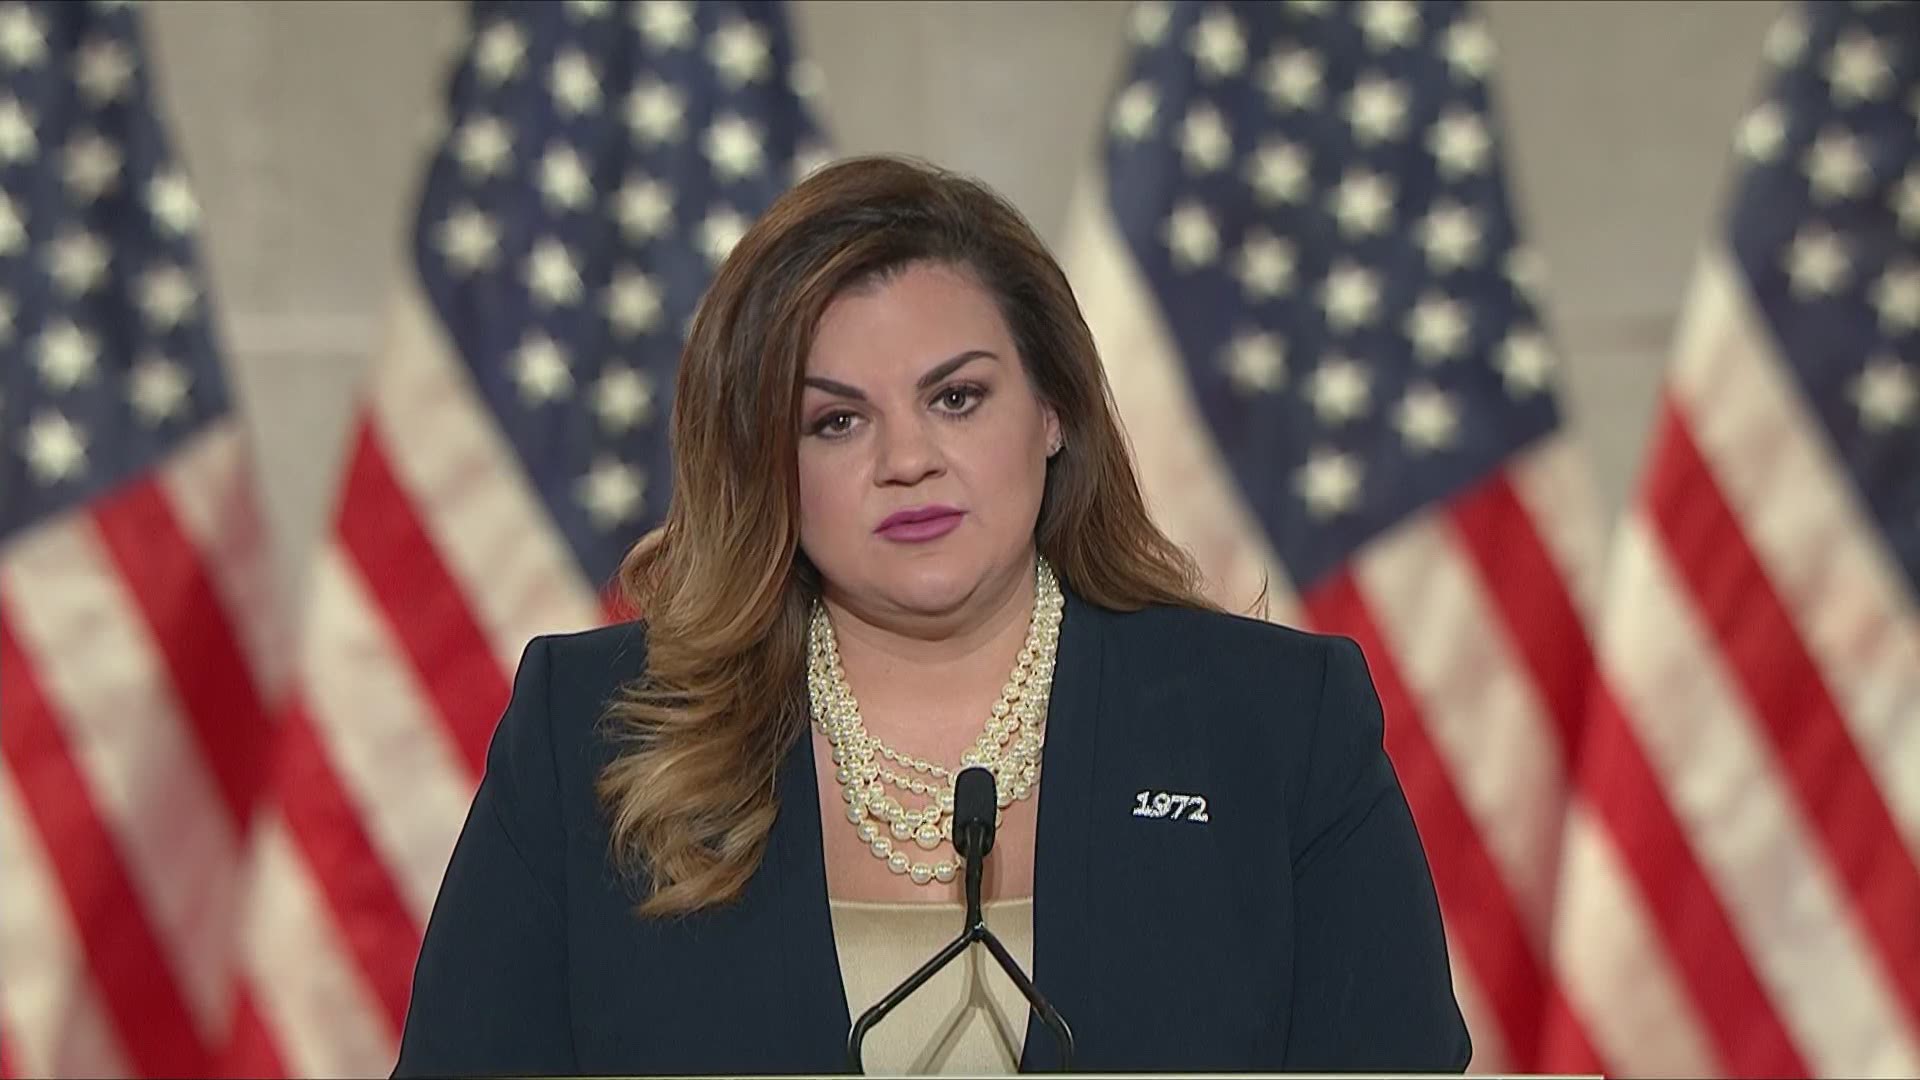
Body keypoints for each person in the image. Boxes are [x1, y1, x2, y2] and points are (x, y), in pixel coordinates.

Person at [393, 155, 1470, 1077]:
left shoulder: (1276, 723)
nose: (907, 460)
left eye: (957, 398)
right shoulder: (590, 730)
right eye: (834, 421)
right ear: (768, 463)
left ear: (1053, 411)